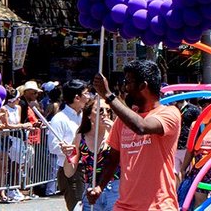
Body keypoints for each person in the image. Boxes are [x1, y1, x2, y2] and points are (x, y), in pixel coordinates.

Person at [89, 60, 180, 210]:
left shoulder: (169, 113)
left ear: (143, 86)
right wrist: (99, 186)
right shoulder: (122, 120)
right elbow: (113, 158)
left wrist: (108, 95)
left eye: (128, 82)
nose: (125, 87)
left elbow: (142, 127)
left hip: (158, 206)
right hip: (124, 206)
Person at [63, 100, 120, 211]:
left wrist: (116, 134)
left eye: (108, 110)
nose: (105, 113)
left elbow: (126, 160)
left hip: (115, 187)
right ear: (89, 115)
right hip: (91, 189)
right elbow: (69, 172)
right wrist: (68, 155)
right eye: (100, 110)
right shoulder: (81, 136)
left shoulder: (115, 132)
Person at [49, 79, 91, 211]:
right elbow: (53, 146)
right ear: (77, 97)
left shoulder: (85, 116)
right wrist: (68, 149)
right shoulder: (60, 119)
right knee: (77, 207)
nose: (89, 96)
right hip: (70, 170)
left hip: (87, 168)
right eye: (86, 93)